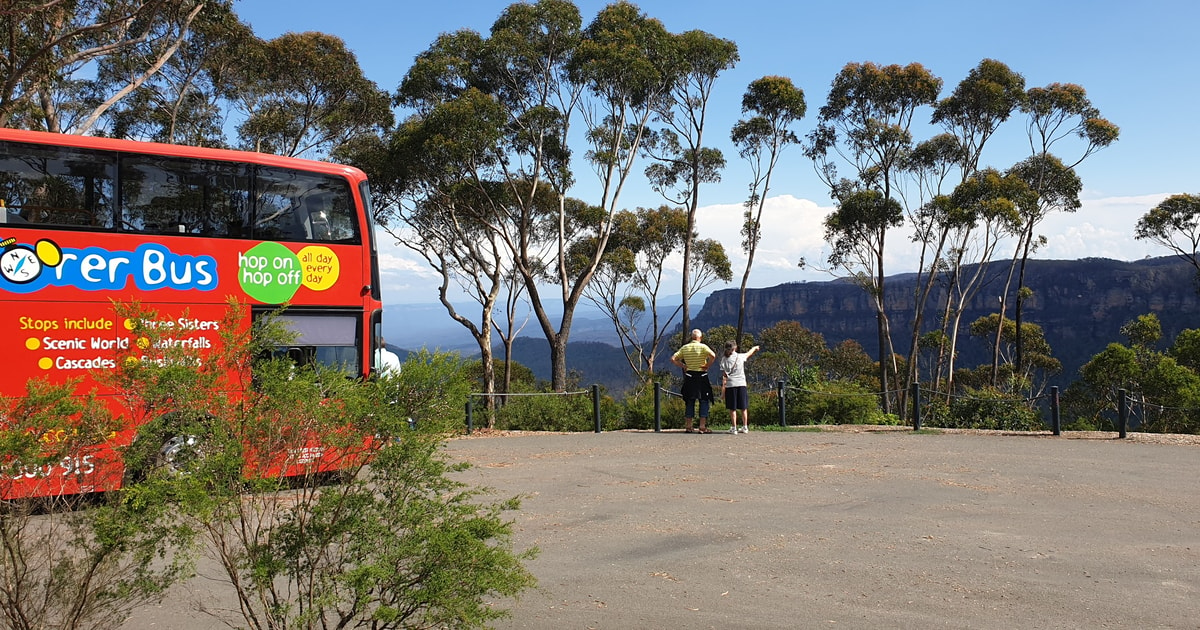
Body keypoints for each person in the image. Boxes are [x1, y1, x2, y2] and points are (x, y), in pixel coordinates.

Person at [671, 329, 716, 433]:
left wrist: (683, 366)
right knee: (704, 400)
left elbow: (673, 358)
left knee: (689, 400)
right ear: (700, 337)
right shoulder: (703, 347)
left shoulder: (685, 348)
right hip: (702, 376)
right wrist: (707, 365)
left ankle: (688, 426)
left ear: (692, 337)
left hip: (690, 376)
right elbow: (713, 356)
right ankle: (702, 426)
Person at [720, 341, 760, 434]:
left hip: (731, 385)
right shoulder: (740, 357)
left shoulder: (724, 359)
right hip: (741, 384)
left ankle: (734, 428)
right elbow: (749, 353)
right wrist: (755, 348)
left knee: (732, 408)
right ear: (735, 348)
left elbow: (724, 376)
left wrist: (723, 391)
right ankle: (745, 427)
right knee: (743, 407)